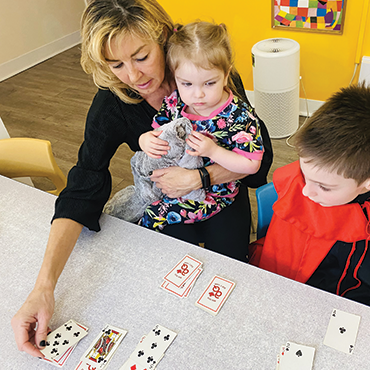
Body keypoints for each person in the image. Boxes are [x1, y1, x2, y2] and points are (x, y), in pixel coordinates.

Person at [11, 0, 272, 358]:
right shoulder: (113, 105)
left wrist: (198, 178)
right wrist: (43, 286)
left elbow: (260, 157)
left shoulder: (203, 74)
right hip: (168, 209)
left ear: (164, 38)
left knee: (232, 277)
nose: (133, 76)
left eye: (141, 56)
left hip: (222, 201)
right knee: (171, 287)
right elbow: (84, 184)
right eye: (116, 64)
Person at [250, 84, 370, 306]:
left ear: (366, 184)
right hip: (280, 282)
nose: (305, 191)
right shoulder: (317, 174)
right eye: (304, 175)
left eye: (324, 187)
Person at [138, 21, 264, 231]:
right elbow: (157, 130)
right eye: (186, 84)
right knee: (144, 205)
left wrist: (212, 150)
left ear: (226, 75)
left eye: (209, 83)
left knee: (151, 217)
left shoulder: (239, 116)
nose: (198, 95)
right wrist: (145, 139)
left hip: (214, 193)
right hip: (172, 180)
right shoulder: (175, 101)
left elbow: (251, 165)